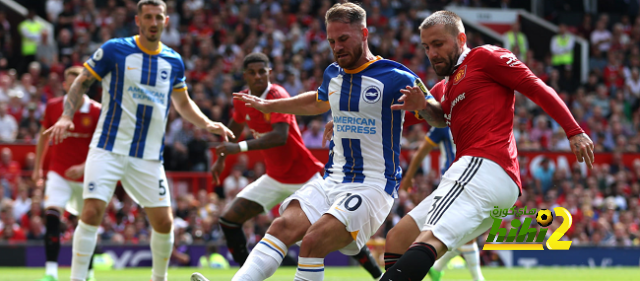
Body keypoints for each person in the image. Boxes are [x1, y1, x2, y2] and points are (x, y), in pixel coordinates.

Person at [191, 3, 436, 281]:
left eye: (343, 39)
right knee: (281, 227)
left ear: (364, 33)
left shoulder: (396, 76)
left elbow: (439, 115)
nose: (337, 47)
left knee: (312, 242)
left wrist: (425, 107)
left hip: (372, 185)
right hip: (332, 180)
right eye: (332, 41)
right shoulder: (333, 72)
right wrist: (271, 106)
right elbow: (317, 101)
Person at [378, 11, 595, 281]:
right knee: (398, 238)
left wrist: (574, 131)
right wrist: (345, 122)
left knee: (430, 237)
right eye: (426, 47)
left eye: (438, 44)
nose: (431, 53)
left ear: (460, 38)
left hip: (485, 166)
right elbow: (402, 117)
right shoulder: (442, 88)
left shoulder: (485, 57)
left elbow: (536, 87)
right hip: (486, 181)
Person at [44, 1, 233, 281]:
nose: (153, 22)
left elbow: (182, 102)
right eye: (148, 17)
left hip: (147, 157)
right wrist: (65, 116)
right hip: (107, 149)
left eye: (158, 17)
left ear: (166, 20)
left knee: (164, 222)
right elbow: (81, 81)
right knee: (92, 211)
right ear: (138, 20)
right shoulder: (114, 49)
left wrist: (206, 122)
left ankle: (159, 278)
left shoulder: (174, 60)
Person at [212, 52, 382, 278]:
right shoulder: (243, 100)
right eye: (252, 73)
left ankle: (378, 275)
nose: (258, 76)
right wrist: (221, 159)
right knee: (229, 220)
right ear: (245, 76)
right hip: (275, 177)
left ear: (269, 72)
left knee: (338, 230)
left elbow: (279, 136)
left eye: (262, 71)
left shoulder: (277, 95)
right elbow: (233, 131)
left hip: (305, 177)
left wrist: (241, 148)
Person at [33, 66, 101, 281]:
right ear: (64, 86)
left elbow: (102, 147)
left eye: (80, 83)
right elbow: (43, 137)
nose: (76, 88)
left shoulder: (97, 111)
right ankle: (51, 272)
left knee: (87, 224)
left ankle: (88, 272)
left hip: (87, 176)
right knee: (52, 216)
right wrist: (37, 170)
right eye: (72, 84)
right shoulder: (53, 107)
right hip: (58, 172)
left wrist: (83, 166)